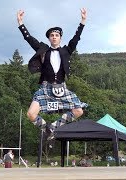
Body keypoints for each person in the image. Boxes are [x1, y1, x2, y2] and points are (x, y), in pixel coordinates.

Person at [17, 8, 88, 141]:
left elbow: (76, 39)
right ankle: (46, 129)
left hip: (61, 88)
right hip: (45, 87)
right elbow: (29, 39)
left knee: (79, 111)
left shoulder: (66, 51)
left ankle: (54, 126)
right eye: (52, 35)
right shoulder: (43, 50)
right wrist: (21, 23)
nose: (54, 37)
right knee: (31, 114)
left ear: (60, 37)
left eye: (56, 35)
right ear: (49, 38)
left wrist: (82, 22)